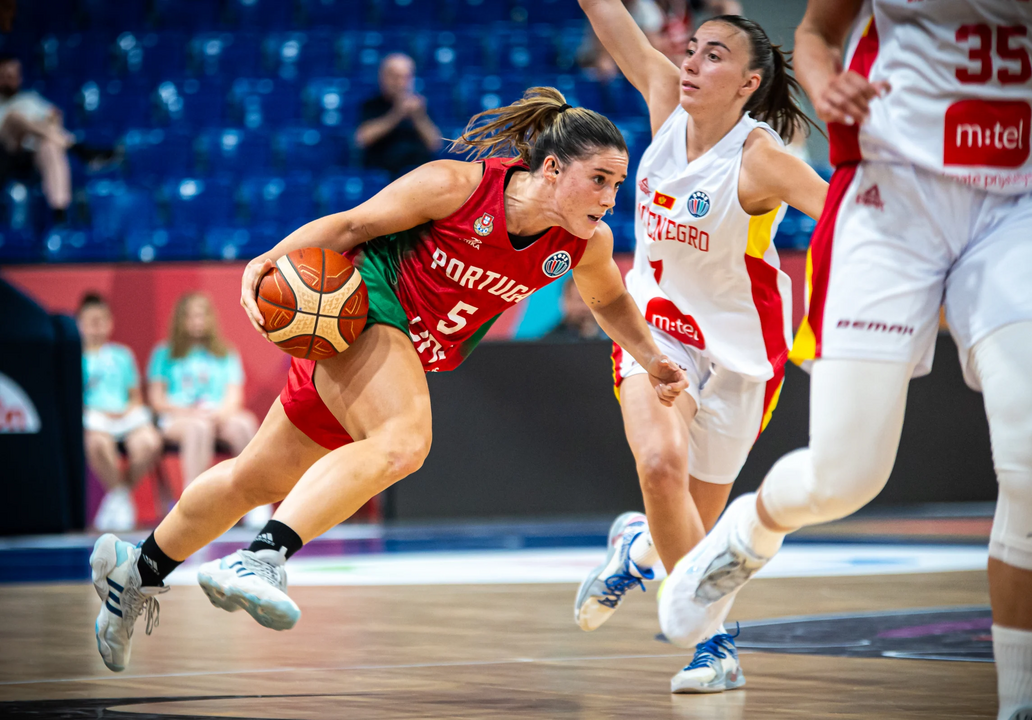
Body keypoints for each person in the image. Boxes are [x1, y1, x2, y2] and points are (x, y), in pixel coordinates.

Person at [89, 87, 689, 673]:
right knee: (405, 441)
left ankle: (134, 571)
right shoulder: (457, 186)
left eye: (618, 183)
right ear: (553, 168)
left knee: (254, 477)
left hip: (402, 354)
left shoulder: (584, 243)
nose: (612, 198)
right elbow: (352, 227)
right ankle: (260, 559)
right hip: (364, 311)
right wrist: (268, 260)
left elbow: (609, 301)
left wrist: (653, 355)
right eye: (601, 180)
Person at [659, 3, 1032, 720]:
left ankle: (1023, 707)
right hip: (894, 197)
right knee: (844, 477)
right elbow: (817, 34)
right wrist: (824, 85)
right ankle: (747, 530)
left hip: (1024, 201)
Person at [572, 0, 828, 694]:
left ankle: (635, 548)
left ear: (749, 83)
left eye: (715, 55)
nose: (692, 62)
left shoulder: (761, 159)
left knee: (691, 535)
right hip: (656, 333)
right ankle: (715, 645)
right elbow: (607, 15)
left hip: (743, 358)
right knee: (660, 465)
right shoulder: (663, 101)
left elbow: (844, 217)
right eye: (693, 49)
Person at [146, 293, 259, 492]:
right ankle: (193, 496)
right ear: (180, 320)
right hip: (178, 417)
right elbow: (157, 399)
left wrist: (220, 414)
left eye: (201, 316)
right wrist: (189, 412)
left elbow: (234, 396)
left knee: (245, 424)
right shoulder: (164, 353)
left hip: (216, 416)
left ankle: (254, 493)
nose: (197, 322)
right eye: (191, 316)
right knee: (198, 428)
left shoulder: (226, 352)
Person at [77, 293, 163, 532]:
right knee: (96, 444)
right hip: (94, 419)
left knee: (150, 442)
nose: (97, 326)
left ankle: (118, 495)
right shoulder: (74, 356)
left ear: (110, 322)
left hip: (125, 417)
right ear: (79, 323)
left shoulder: (122, 355)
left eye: (102, 320)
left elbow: (135, 397)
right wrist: (101, 412)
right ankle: (121, 496)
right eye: (91, 320)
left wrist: (126, 411)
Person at [0, 55, 116, 224]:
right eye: (7, 76)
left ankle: (59, 212)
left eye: (15, 75)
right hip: (10, 150)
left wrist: (46, 125)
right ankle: (81, 150)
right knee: (15, 118)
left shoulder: (29, 99)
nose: (12, 80)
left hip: (34, 152)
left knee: (51, 146)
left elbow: (55, 115)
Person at [355, 53, 443, 179]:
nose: (400, 83)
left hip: (418, 177)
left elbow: (435, 144)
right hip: (383, 177)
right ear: (383, 77)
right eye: (395, 77)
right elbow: (362, 138)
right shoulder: (371, 104)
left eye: (406, 77)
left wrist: (419, 117)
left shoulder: (421, 107)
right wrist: (396, 114)